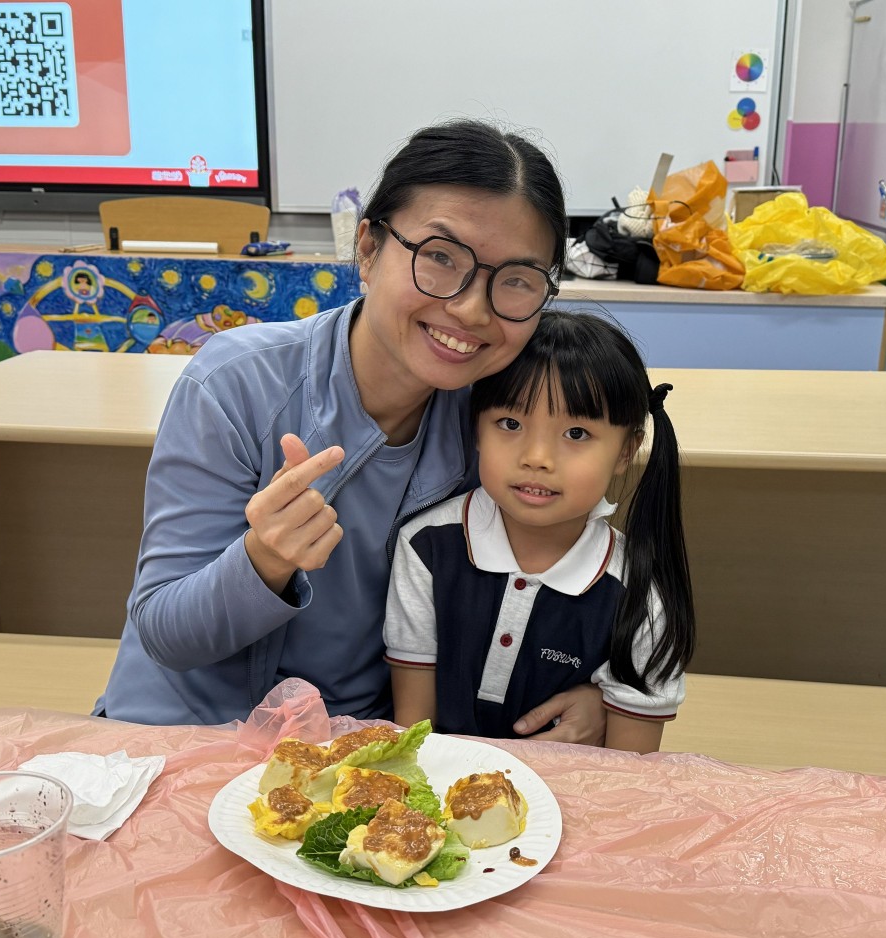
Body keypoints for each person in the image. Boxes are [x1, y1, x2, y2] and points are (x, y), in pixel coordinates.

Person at [96, 120, 608, 743]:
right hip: (186, 735)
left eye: (518, 280)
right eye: (440, 257)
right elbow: (165, 635)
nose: (472, 309)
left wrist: (594, 691)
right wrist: (263, 561)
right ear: (368, 248)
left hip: (355, 750)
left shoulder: (505, 424)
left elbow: (544, 591)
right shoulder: (236, 383)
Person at [383, 310, 696, 753]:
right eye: (510, 424)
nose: (537, 458)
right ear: (477, 428)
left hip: (573, 792)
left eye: (576, 433)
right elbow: (412, 738)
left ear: (626, 451)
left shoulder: (640, 595)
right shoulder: (425, 546)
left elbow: (630, 773)